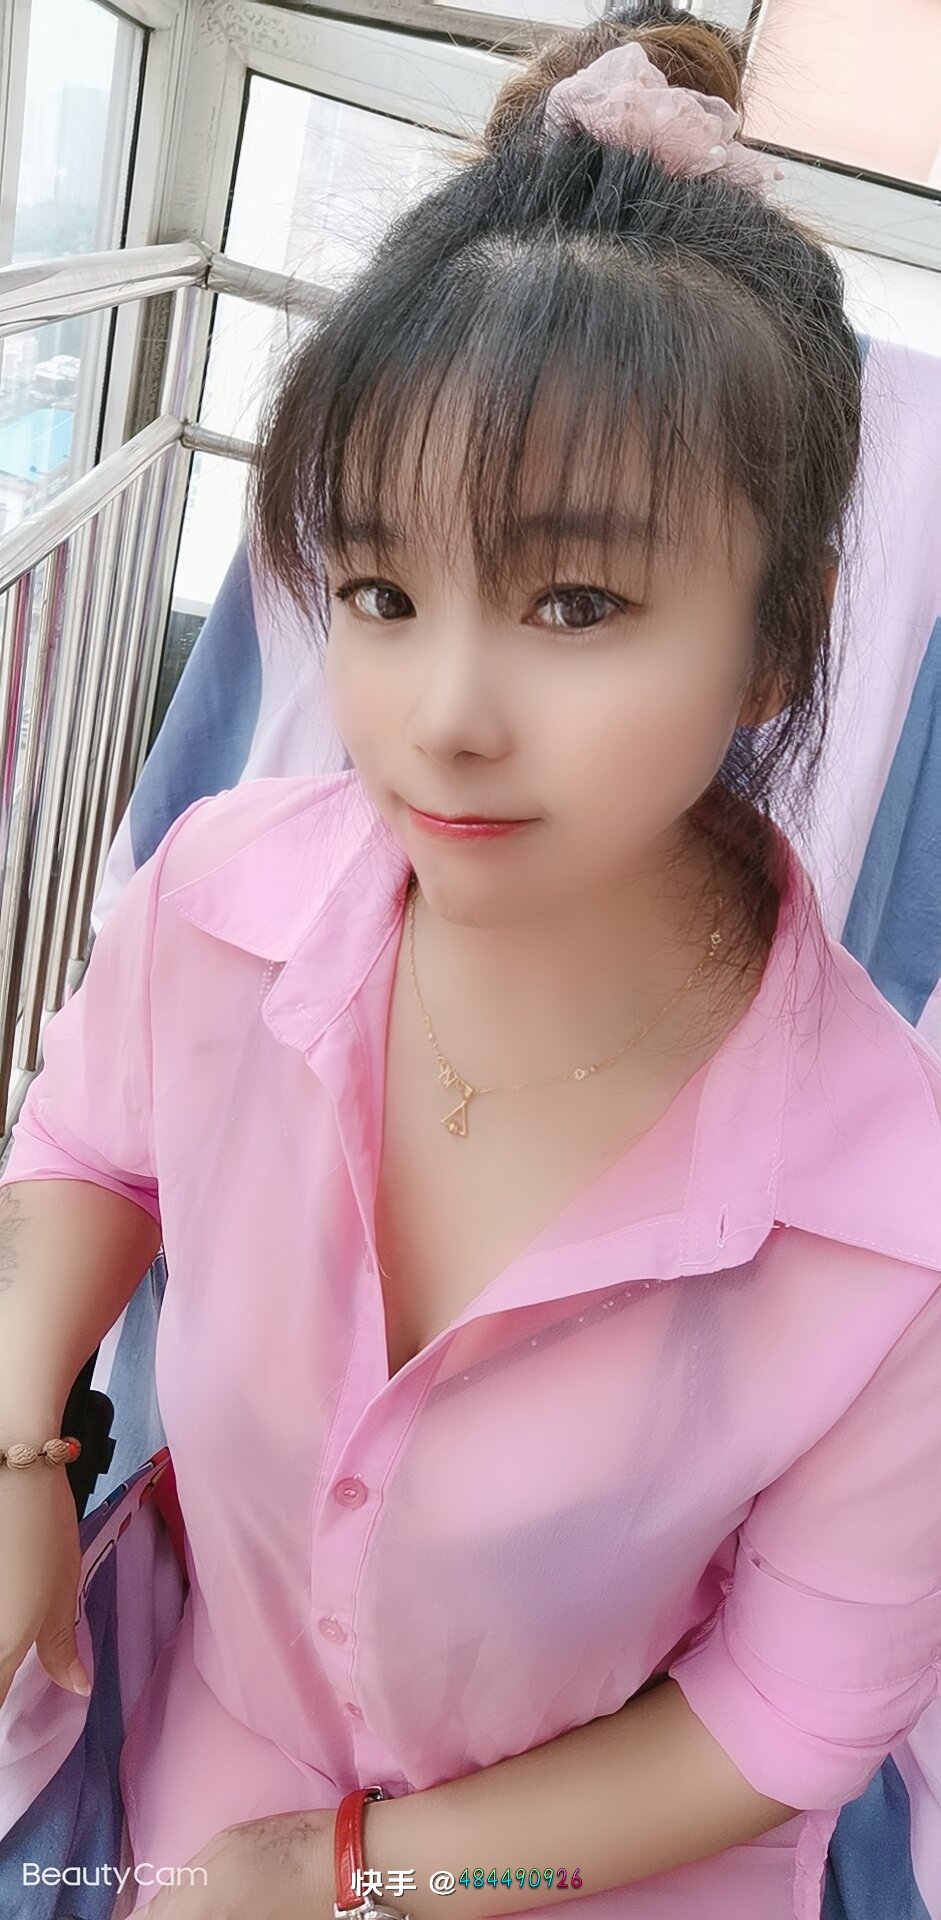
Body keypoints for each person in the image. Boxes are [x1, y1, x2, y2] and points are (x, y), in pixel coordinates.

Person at [2, 6, 941, 1919]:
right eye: (379, 589)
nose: (441, 717)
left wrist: (349, 1876)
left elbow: (783, 1724)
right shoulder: (221, 899)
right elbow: (92, 1146)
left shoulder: (888, 1227)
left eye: (574, 604)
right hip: (175, 1764)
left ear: (780, 639)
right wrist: (18, 1441)